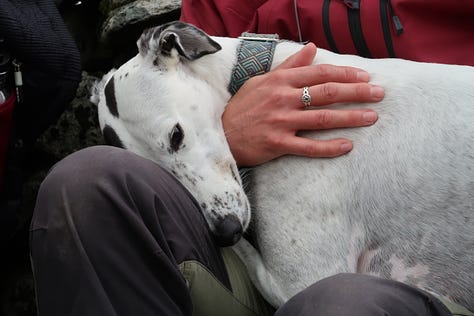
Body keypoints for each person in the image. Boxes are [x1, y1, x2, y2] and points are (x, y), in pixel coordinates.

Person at [29, 2, 473, 316]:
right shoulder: (196, 46)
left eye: (177, 137)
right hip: (263, 266)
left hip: (378, 291)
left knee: (337, 302)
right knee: (83, 182)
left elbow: (306, 285)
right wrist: (231, 132)